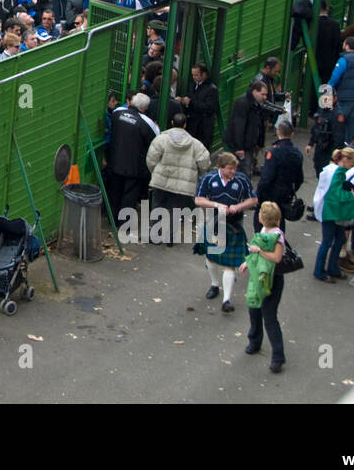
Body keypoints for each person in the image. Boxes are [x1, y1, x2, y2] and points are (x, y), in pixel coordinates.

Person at [194, 152, 257, 313]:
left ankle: (226, 300)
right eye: (230, 168)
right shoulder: (209, 178)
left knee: (230, 262)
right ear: (220, 168)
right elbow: (198, 199)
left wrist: (238, 207)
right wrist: (216, 205)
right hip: (213, 221)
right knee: (211, 257)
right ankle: (215, 284)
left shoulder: (242, 179)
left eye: (234, 168)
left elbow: (253, 199)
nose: (233, 171)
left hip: (234, 224)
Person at [146, 113, 210, 244]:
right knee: (176, 210)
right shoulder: (195, 144)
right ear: (185, 125)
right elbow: (205, 163)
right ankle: (170, 238)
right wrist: (195, 175)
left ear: (172, 123)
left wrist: (155, 172)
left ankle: (155, 236)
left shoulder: (161, 139)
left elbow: (151, 159)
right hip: (183, 185)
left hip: (161, 180)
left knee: (158, 206)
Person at [241, 201, 287, 373]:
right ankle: (254, 341)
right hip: (259, 276)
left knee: (269, 316)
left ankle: (278, 356)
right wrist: (248, 263)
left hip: (273, 279)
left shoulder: (277, 236)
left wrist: (258, 251)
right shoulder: (264, 230)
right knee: (254, 308)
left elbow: (276, 258)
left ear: (263, 218)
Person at [105, 92, 159, 234]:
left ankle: (112, 219)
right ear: (145, 107)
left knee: (115, 191)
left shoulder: (117, 113)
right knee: (129, 195)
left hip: (115, 161)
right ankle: (124, 224)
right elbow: (154, 142)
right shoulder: (147, 123)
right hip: (134, 167)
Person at [311, 147, 354, 282]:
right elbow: (335, 193)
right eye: (353, 162)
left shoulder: (333, 170)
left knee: (337, 240)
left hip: (331, 212)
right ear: (345, 160)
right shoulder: (339, 172)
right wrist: (351, 195)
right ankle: (321, 271)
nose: (353, 165)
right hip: (332, 212)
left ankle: (330, 269)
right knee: (329, 241)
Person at [223, 81, 269, 179]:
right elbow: (239, 126)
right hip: (242, 146)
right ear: (255, 91)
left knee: (243, 170)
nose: (265, 97)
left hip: (248, 144)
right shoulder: (244, 103)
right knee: (243, 171)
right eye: (263, 94)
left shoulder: (254, 103)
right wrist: (239, 147)